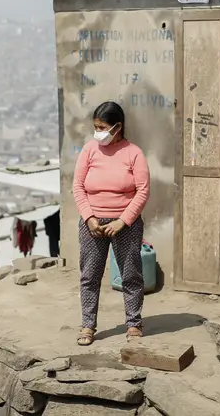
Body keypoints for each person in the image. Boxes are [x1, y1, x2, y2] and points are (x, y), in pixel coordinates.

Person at [72, 101, 150, 346]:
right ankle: (87, 325)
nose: (98, 132)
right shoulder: (89, 150)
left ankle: (134, 323)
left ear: (118, 127)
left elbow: (143, 191)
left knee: (131, 275)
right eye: (96, 127)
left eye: (103, 127)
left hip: (125, 224)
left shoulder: (133, 153)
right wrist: (89, 218)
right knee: (90, 276)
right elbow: (78, 187)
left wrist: (123, 221)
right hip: (92, 224)